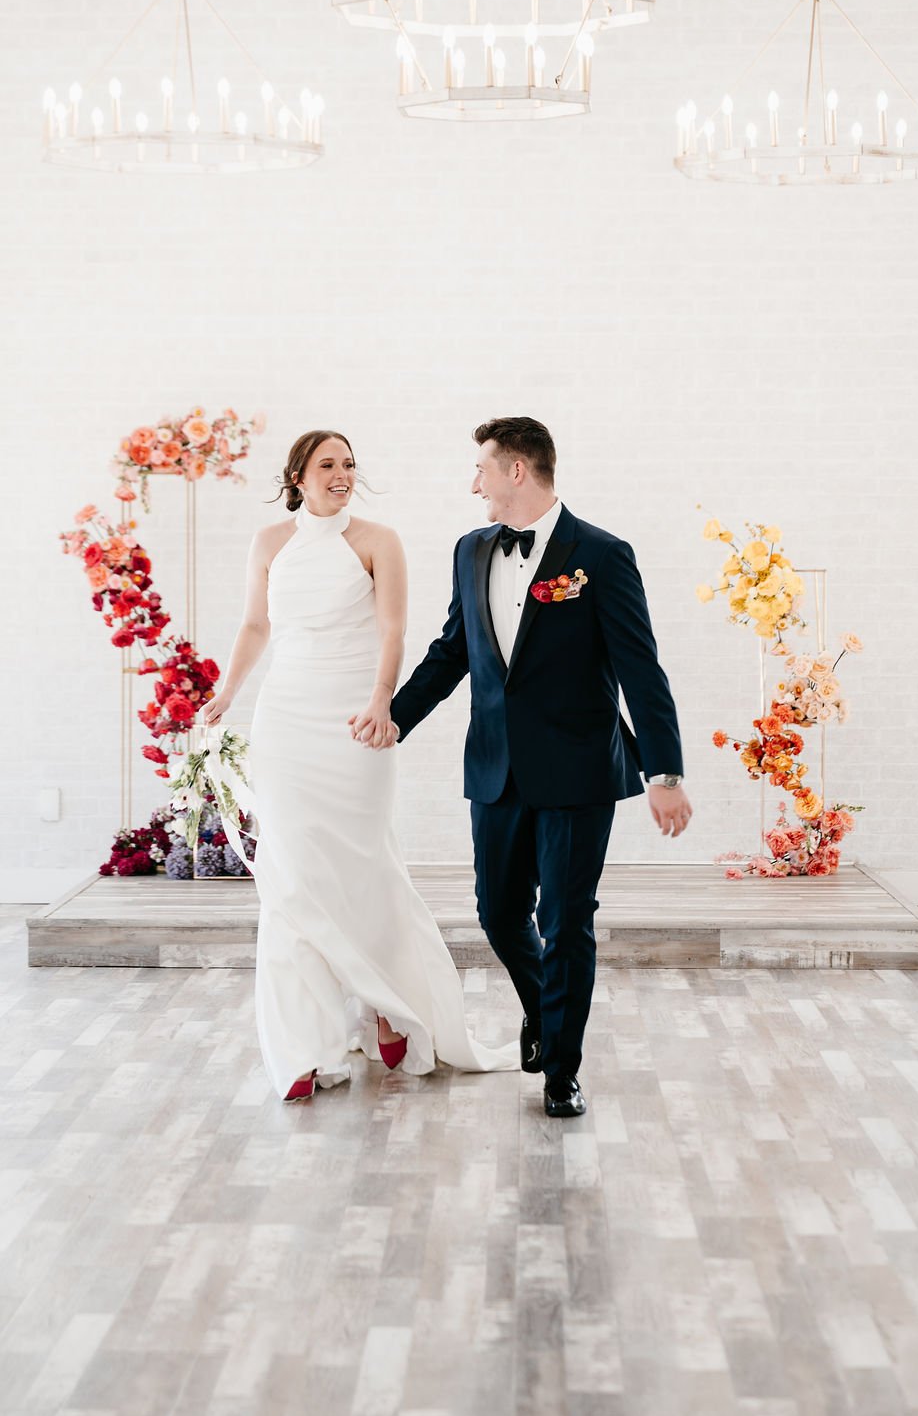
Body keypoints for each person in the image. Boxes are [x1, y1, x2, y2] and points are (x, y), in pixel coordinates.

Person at [381, 417, 691, 1118]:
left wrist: (663, 773)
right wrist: (394, 716)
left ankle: (562, 1070)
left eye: (482, 470)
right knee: (497, 910)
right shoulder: (470, 550)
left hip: (580, 768)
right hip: (495, 766)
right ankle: (543, 1013)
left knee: (567, 918)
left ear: (517, 470)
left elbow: (642, 669)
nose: (474, 484)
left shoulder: (602, 556)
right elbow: (453, 650)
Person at [199, 429, 518, 1101]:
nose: (343, 474)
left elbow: (394, 629)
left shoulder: (378, 541)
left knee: (361, 865)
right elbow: (256, 625)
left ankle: (389, 1002)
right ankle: (305, 1049)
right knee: (290, 878)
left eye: (349, 464)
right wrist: (228, 690)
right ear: (298, 475)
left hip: (354, 724)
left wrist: (382, 702)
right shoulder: (269, 543)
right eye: (328, 465)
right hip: (284, 722)